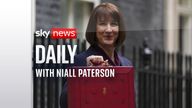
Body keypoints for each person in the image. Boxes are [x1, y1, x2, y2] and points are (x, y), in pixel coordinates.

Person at [60, 2, 132, 108]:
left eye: (114, 24)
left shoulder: (126, 63)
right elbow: (65, 103)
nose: (108, 29)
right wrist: (89, 75)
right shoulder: (80, 60)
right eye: (102, 24)